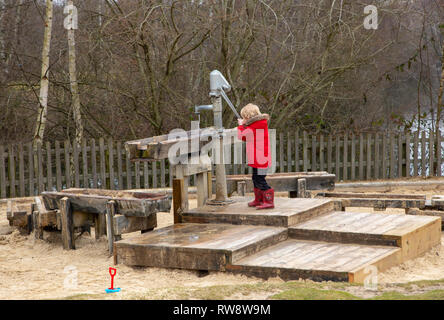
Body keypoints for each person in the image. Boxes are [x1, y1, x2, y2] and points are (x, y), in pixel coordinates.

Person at [237, 103, 274, 209]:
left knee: (260, 180)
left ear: (248, 117)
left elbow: (242, 136)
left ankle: (269, 201)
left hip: (260, 160)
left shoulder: (258, 125)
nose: (243, 119)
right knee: (255, 179)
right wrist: (244, 125)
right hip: (257, 159)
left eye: (244, 117)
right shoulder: (256, 124)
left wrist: (240, 125)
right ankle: (259, 199)